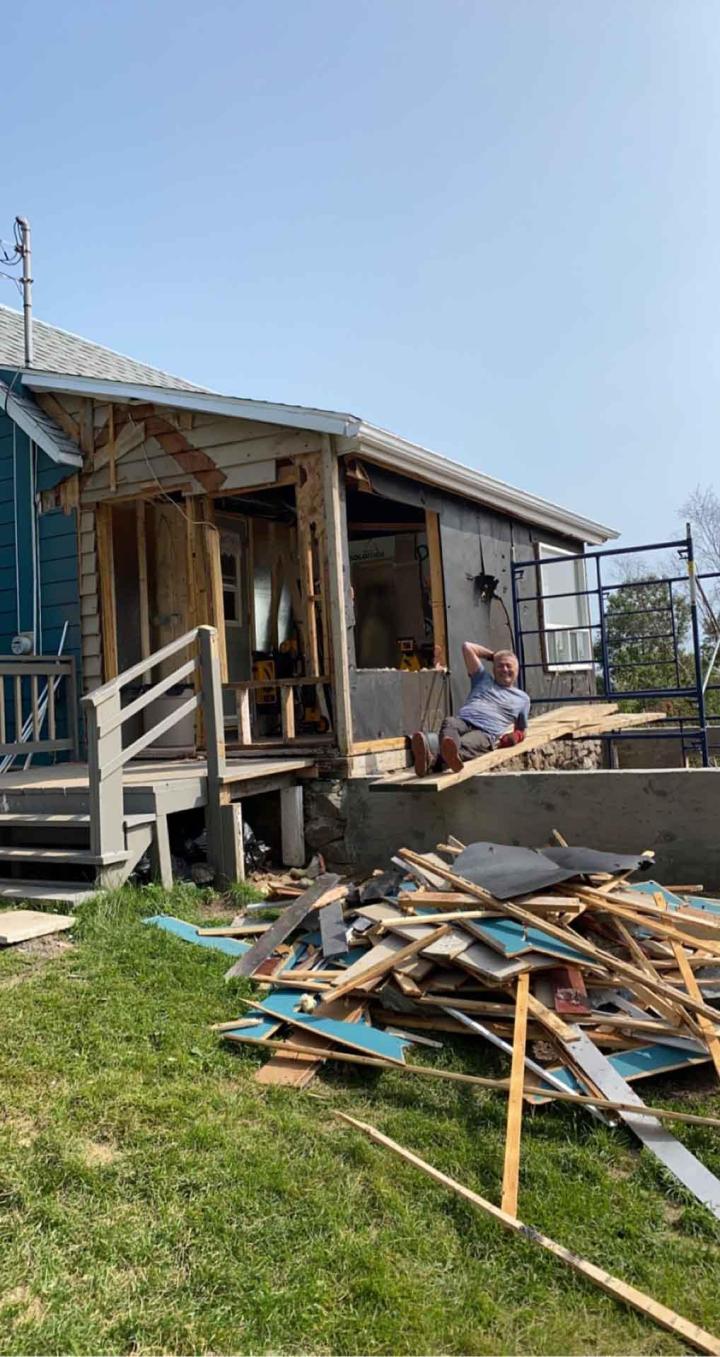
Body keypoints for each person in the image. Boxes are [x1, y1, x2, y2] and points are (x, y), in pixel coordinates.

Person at [411, 642, 530, 776]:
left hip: (485, 732)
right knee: (450, 722)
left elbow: (522, 729)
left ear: (517, 670)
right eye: (500, 665)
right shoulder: (482, 678)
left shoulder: (522, 699)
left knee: (464, 744)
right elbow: (467, 647)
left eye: (509, 666)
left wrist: (515, 736)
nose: (504, 669)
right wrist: (493, 656)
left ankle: (432, 760)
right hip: (464, 720)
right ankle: (435, 760)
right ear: (493, 669)